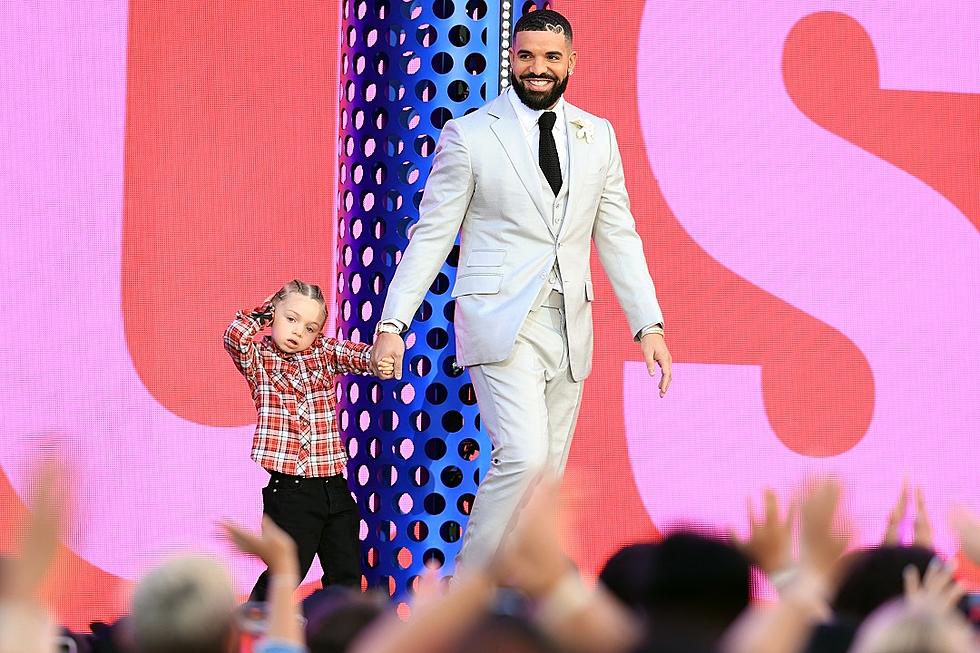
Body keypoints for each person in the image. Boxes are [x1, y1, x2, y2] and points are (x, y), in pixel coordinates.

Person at [371, 8, 673, 571]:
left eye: (551, 58)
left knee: (545, 482)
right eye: (527, 55)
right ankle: (466, 594)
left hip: (570, 323)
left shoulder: (597, 135)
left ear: (571, 63)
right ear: (511, 57)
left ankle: (511, 607)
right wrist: (392, 324)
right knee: (526, 458)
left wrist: (648, 324)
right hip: (499, 320)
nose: (538, 68)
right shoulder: (471, 134)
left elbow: (618, 234)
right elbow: (431, 236)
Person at [224, 279, 394, 600]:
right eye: (291, 319)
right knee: (287, 572)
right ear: (275, 313)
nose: (299, 332)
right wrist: (265, 313)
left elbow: (357, 355)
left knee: (345, 569)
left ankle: (338, 634)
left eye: (311, 327)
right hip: (292, 491)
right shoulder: (259, 359)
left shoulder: (323, 353)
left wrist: (379, 360)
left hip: (334, 486)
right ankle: (254, 632)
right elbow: (235, 337)